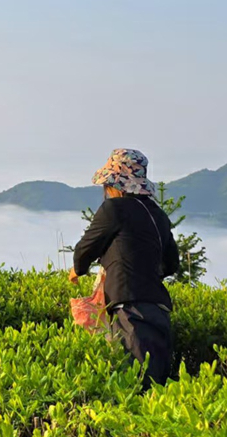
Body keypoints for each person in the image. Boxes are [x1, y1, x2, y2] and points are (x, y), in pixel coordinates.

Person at [69, 149, 180, 391]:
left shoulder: (114, 209)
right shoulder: (158, 215)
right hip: (159, 308)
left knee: (136, 386)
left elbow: (85, 249)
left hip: (129, 309)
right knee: (159, 385)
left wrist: (78, 269)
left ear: (114, 185)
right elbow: (172, 263)